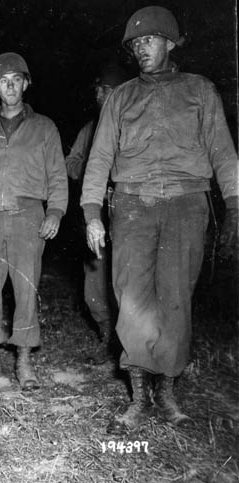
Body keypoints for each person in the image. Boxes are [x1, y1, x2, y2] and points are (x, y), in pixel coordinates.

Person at [81, 6, 238, 433]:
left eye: (148, 40)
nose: (141, 50)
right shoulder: (121, 97)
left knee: (175, 297)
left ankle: (166, 390)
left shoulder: (200, 90)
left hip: (187, 204)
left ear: (170, 41)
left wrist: (236, 206)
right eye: (134, 44)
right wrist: (92, 213)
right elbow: (98, 161)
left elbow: (223, 152)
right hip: (132, 206)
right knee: (130, 298)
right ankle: (136, 394)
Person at [0, 52, 68, 390]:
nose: (10, 86)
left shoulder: (44, 127)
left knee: (25, 289)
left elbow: (58, 176)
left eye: (16, 79)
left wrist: (56, 211)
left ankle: (24, 361)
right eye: (3, 81)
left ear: (26, 83)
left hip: (28, 215)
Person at [65, 65, 126, 364]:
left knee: (127, 278)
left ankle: (127, 345)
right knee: (95, 279)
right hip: (97, 208)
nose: (100, 95)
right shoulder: (89, 129)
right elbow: (71, 162)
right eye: (98, 89)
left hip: (128, 208)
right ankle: (106, 339)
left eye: (107, 89)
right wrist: (90, 170)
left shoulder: (132, 123)